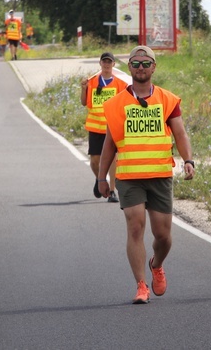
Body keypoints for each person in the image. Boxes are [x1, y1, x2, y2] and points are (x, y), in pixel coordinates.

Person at [97, 45, 195, 304]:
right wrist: (102, 177)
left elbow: (180, 134)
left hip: (160, 175)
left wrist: (188, 160)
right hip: (129, 176)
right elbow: (109, 144)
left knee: (163, 236)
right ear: (129, 67)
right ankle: (141, 285)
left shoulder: (168, 100)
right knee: (135, 225)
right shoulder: (116, 104)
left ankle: (157, 264)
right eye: (136, 63)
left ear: (154, 67)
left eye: (145, 63)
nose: (140, 67)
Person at [80, 52, 129, 203]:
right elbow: (84, 103)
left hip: (112, 128)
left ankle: (112, 191)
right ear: (100, 64)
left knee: (113, 159)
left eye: (109, 62)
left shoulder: (121, 84)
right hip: (95, 128)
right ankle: (100, 179)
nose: (107, 64)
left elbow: (125, 105)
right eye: (104, 62)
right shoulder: (92, 82)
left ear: (114, 64)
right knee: (95, 161)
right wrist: (83, 89)